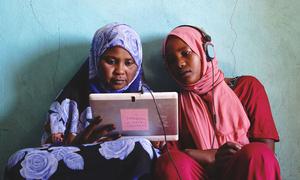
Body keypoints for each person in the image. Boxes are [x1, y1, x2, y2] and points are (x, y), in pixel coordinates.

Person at [5, 23, 156, 180]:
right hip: (82, 163)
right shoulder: (71, 98)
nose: (119, 70)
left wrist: (157, 141)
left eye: (128, 63)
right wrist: (79, 143)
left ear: (138, 65)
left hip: (126, 164)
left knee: (139, 147)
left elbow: (161, 150)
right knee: (19, 160)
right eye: (111, 61)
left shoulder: (148, 98)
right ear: (96, 59)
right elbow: (49, 146)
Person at [154, 25, 281, 180]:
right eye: (172, 60)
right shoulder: (174, 105)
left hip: (243, 172)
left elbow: (266, 151)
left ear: (206, 52)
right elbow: (172, 155)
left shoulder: (247, 88)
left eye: (186, 53)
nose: (179, 64)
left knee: (258, 153)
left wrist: (209, 154)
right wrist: (208, 156)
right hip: (202, 174)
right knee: (170, 163)